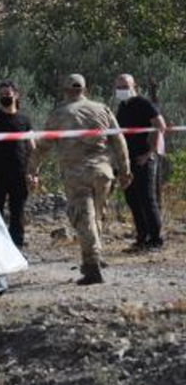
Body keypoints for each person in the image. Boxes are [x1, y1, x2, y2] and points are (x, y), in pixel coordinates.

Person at [33, 74, 130, 285]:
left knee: (83, 219)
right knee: (96, 215)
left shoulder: (59, 114)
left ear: (66, 91)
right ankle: (97, 254)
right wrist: (125, 170)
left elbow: (42, 146)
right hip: (103, 172)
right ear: (85, 90)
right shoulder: (102, 109)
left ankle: (92, 265)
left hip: (76, 173)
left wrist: (32, 170)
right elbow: (118, 139)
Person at [114, 74, 167, 252]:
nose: (121, 90)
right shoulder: (122, 106)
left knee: (147, 199)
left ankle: (156, 240)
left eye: (124, 86)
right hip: (128, 161)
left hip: (144, 159)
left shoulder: (144, 104)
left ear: (134, 86)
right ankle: (142, 238)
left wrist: (149, 153)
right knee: (132, 199)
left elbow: (160, 126)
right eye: (118, 87)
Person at [0, 80, 35, 248]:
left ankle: (16, 248)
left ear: (16, 95)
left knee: (17, 212)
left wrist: (33, 173)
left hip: (19, 174)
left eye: (8, 94)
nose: (5, 97)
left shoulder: (24, 121)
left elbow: (32, 148)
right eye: (2, 94)